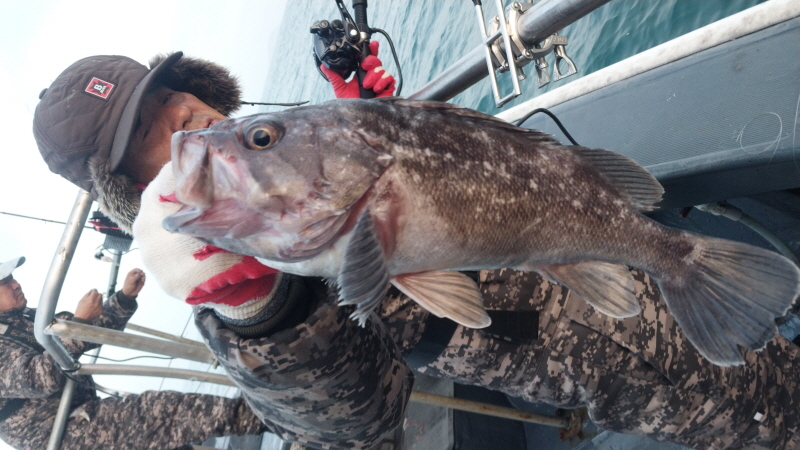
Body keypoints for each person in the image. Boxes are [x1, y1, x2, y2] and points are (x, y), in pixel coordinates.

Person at [31, 50, 799, 450]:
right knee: (761, 412)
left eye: (166, 93)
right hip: (574, 355)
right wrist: (261, 312)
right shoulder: (225, 289)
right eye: (144, 135)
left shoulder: (308, 145)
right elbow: (346, 428)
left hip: (573, 258)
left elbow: (475, 166)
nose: (185, 116)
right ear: (125, 186)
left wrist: (385, 111)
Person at [0, 256, 266, 450]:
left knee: (172, 439)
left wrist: (124, 298)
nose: (15, 284)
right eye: (5, 282)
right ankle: (280, 417)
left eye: (12, 277)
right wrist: (78, 324)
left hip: (79, 411)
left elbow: (90, 334)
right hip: (55, 433)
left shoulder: (25, 319)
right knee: (161, 414)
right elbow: (40, 378)